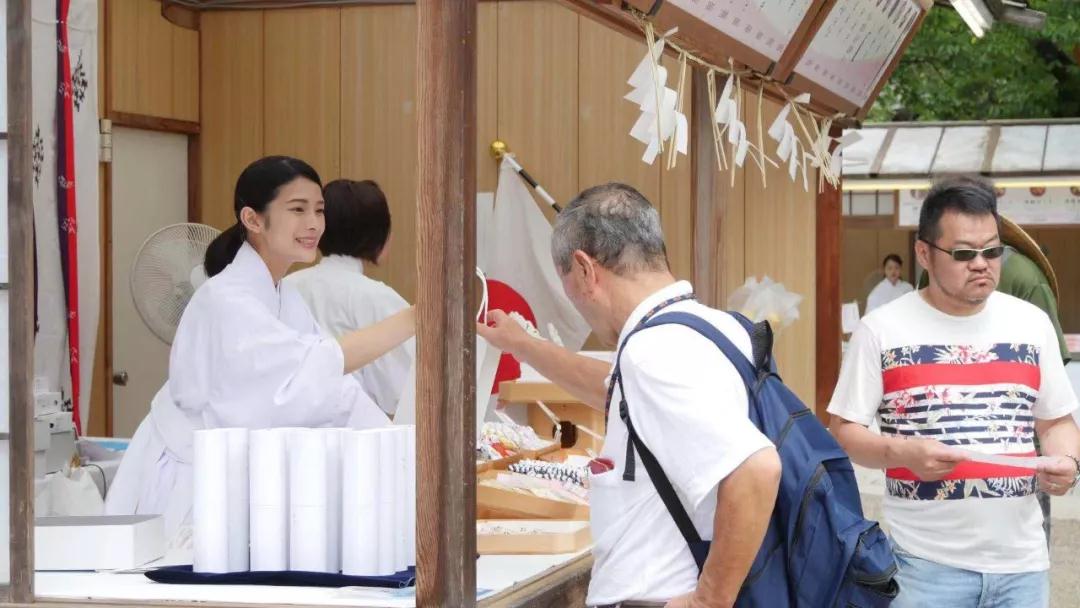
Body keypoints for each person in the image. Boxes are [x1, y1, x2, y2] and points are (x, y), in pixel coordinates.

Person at [478, 183, 781, 608]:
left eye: (568, 287)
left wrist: (709, 600)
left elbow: (757, 469)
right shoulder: (712, 326)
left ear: (584, 269)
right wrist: (524, 344)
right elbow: (616, 388)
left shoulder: (651, 352)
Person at [105, 156, 416, 539]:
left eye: (319, 210)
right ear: (253, 219)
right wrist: (415, 318)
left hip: (234, 475)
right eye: (297, 210)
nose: (313, 224)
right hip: (193, 481)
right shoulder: (226, 299)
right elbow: (304, 376)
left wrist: (398, 453)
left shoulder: (285, 295)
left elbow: (333, 387)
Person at [828, 176, 1080, 608]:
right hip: (924, 568)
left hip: (1022, 566)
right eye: (964, 253)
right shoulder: (882, 330)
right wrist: (904, 454)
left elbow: (1056, 419)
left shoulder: (1031, 324)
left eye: (993, 251)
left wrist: (1068, 462)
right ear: (924, 253)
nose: (981, 264)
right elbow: (844, 431)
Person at [285, 179, 413, 415]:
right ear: (379, 234)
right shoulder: (377, 298)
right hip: (357, 436)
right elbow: (405, 390)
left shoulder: (285, 287)